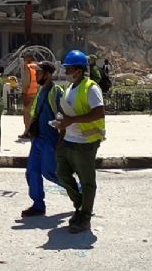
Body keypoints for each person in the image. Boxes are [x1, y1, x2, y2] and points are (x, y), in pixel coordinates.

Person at [56, 50, 106, 233]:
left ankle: (85, 215)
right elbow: (69, 111)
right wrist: (61, 124)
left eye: (69, 68)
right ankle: (81, 204)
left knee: (87, 181)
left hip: (86, 141)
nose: (66, 71)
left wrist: (72, 121)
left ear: (78, 70)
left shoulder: (91, 87)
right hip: (68, 139)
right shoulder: (70, 88)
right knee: (61, 174)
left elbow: (99, 112)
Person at [21, 60, 65, 217]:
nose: (36, 75)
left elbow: (62, 116)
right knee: (31, 172)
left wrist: (62, 139)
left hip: (50, 140)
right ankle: (38, 205)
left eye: (39, 72)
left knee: (49, 173)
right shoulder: (40, 91)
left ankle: (80, 191)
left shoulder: (56, 91)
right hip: (38, 140)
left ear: (47, 74)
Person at [19, 52, 40, 139]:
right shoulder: (37, 67)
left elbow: (26, 83)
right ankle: (30, 131)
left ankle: (27, 132)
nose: (24, 61)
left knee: (27, 116)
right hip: (35, 93)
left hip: (28, 94)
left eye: (24, 59)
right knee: (32, 115)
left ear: (28, 59)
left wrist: (24, 95)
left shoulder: (28, 68)